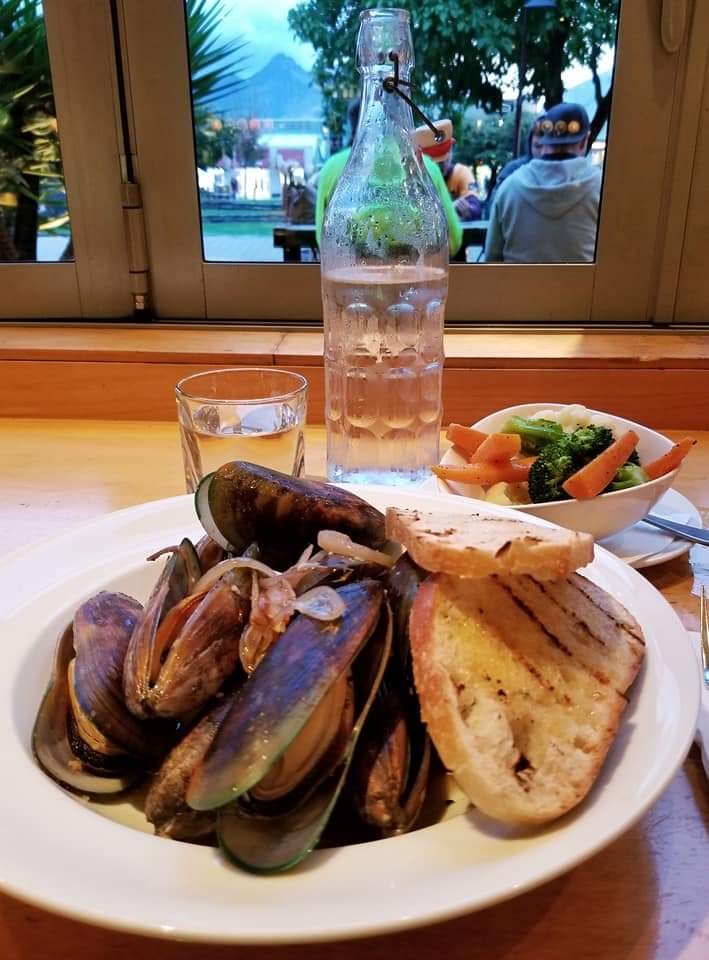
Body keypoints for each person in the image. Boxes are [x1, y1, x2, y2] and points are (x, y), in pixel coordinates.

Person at [315, 99, 462, 256]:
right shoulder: (425, 167)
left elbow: (323, 239)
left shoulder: (331, 169)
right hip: (415, 273)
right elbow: (453, 240)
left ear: (353, 125)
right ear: (398, 121)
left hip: (351, 272)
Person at [482, 102, 602, 264]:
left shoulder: (509, 188)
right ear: (584, 141)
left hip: (517, 288)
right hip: (583, 289)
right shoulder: (603, 189)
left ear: (544, 141)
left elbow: (491, 260)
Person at [416, 119, 482, 222]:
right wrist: (450, 209)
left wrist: (466, 209)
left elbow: (476, 208)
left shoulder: (461, 173)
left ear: (451, 150)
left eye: (445, 157)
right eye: (436, 161)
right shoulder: (418, 179)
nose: (442, 164)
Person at [487, 125, 544, 206]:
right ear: (530, 145)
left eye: (549, 146)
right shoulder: (513, 170)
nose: (543, 152)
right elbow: (495, 204)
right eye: (538, 146)